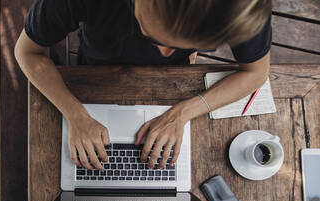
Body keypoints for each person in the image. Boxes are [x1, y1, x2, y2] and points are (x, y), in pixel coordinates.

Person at [14, 0, 272, 172]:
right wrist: (75, 114)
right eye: (151, 35)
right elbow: (27, 53)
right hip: (92, 70)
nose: (164, 54)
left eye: (183, 44)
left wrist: (182, 113)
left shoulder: (234, 6)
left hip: (173, 83)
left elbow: (257, 72)